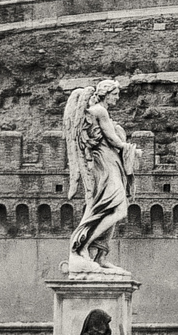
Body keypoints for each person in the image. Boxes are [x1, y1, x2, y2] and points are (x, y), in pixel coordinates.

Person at [64, 79, 135, 272]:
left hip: (111, 161)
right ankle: (81, 246)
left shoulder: (99, 112)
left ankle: (101, 255)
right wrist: (129, 148)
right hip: (104, 163)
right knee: (115, 208)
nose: (117, 98)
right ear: (106, 93)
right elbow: (112, 138)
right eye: (115, 94)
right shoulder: (98, 111)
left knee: (111, 208)